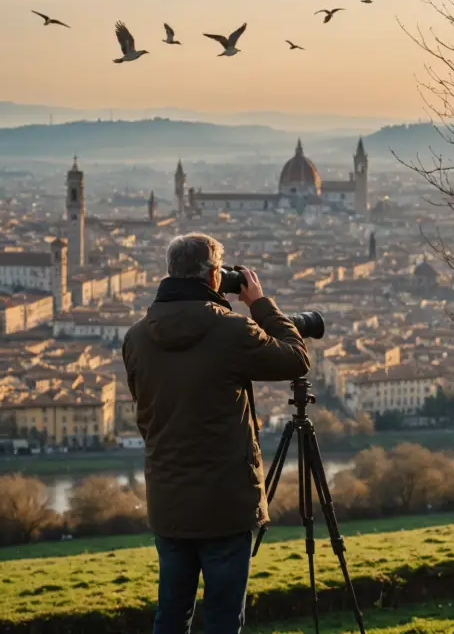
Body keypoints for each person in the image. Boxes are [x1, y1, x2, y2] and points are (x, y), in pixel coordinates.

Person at [123, 232, 310, 634]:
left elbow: (146, 414)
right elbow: (296, 359)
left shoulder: (136, 337)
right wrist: (259, 304)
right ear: (213, 278)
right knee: (224, 618)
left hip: (168, 495)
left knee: (171, 615)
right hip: (226, 501)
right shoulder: (233, 331)